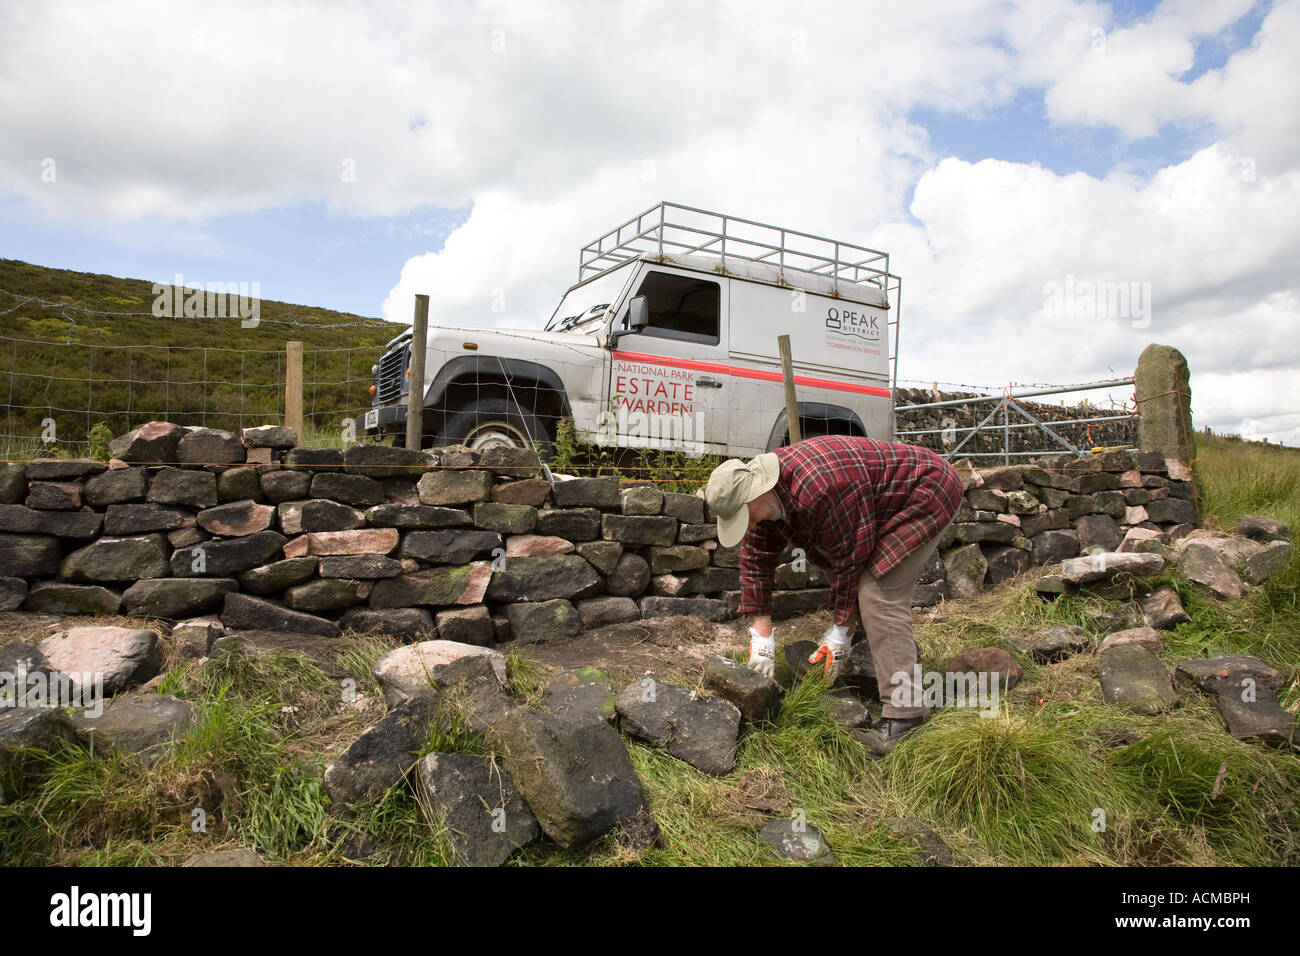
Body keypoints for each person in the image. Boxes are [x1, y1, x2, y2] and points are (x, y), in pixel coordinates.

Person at [704, 435, 963, 755]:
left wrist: (841, 631)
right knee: (849, 580)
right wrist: (762, 638)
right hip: (872, 506)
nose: (750, 524)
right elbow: (756, 561)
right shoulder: (764, 496)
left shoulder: (820, 487)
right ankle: (879, 659)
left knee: (878, 594)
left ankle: (905, 715)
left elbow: (852, 557)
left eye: (746, 516)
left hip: (926, 491)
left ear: (755, 494)